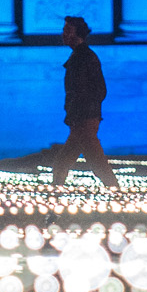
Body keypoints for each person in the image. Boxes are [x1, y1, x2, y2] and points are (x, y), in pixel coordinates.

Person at [51, 15, 117, 189]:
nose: (63, 34)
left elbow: (97, 90)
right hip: (81, 119)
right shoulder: (80, 56)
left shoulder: (84, 57)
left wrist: (82, 113)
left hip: (84, 120)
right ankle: (55, 193)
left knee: (96, 163)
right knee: (63, 162)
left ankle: (117, 194)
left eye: (68, 30)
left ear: (78, 34)